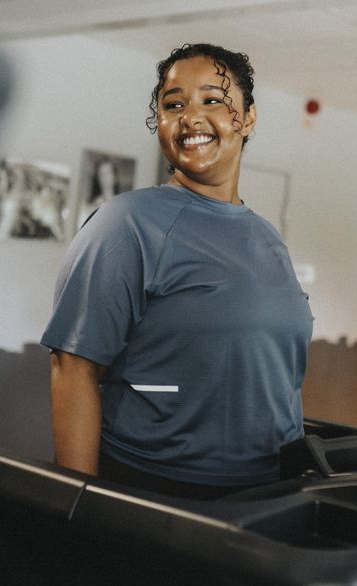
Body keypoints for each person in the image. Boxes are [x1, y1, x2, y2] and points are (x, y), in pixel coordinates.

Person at [41, 42, 313, 501]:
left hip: (270, 488)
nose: (190, 116)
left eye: (213, 99)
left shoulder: (267, 237)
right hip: (161, 489)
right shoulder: (127, 223)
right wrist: (79, 505)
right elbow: (73, 369)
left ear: (247, 118)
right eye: (174, 104)